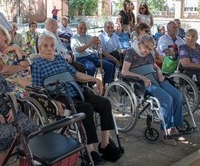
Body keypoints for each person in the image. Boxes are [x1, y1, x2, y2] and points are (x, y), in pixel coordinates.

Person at [31, 33, 123, 164]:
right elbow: (37, 87)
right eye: (45, 46)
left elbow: (76, 74)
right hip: (60, 96)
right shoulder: (36, 64)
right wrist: (52, 101)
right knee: (86, 109)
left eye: (52, 45)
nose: (49, 48)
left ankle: (105, 144)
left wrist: (95, 79)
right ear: (39, 47)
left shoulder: (59, 59)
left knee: (105, 103)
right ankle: (89, 150)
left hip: (76, 91)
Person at [121, 34, 183, 145]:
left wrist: (159, 72)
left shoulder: (149, 52)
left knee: (177, 95)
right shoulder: (131, 52)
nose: (148, 51)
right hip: (142, 82)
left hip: (155, 77)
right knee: (167, 98)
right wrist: (142, 77)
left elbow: (154, 65)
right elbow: (124, 71)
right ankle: (165, 130)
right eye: (147, 48)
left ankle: (174, 125)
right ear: (140, 43)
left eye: (151, 49)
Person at [0, 25, 30, 98]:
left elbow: (27, 63)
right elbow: (4, 70)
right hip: (9, 83)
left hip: (24, 78)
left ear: (5, 36)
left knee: (40, 92)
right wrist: (22, 68)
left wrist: (16, 48)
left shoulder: (14, 47)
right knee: (26, 96)